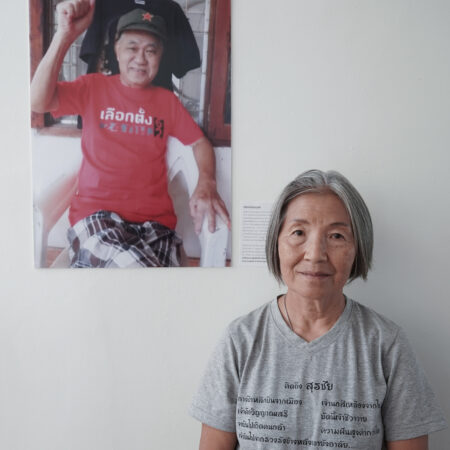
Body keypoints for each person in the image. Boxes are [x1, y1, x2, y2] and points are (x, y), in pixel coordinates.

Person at [190, 170, 447, 449]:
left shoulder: (387, 344)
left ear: (358, 248)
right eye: (298, 232)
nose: (315, 254)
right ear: (276, 242)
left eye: (336, 236)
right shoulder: (240, 340)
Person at [30, 0, 230, 268]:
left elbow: (199, 142)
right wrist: (64, 35)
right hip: (97, 219)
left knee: (144, 278)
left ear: (161, 56)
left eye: (151, 50)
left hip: (156, 228)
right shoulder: (92, 88)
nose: (140, 58)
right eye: (132, 48)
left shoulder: (167, 102)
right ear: (116, 49)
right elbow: (38, 102)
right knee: (137, 274)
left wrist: (207, 182)